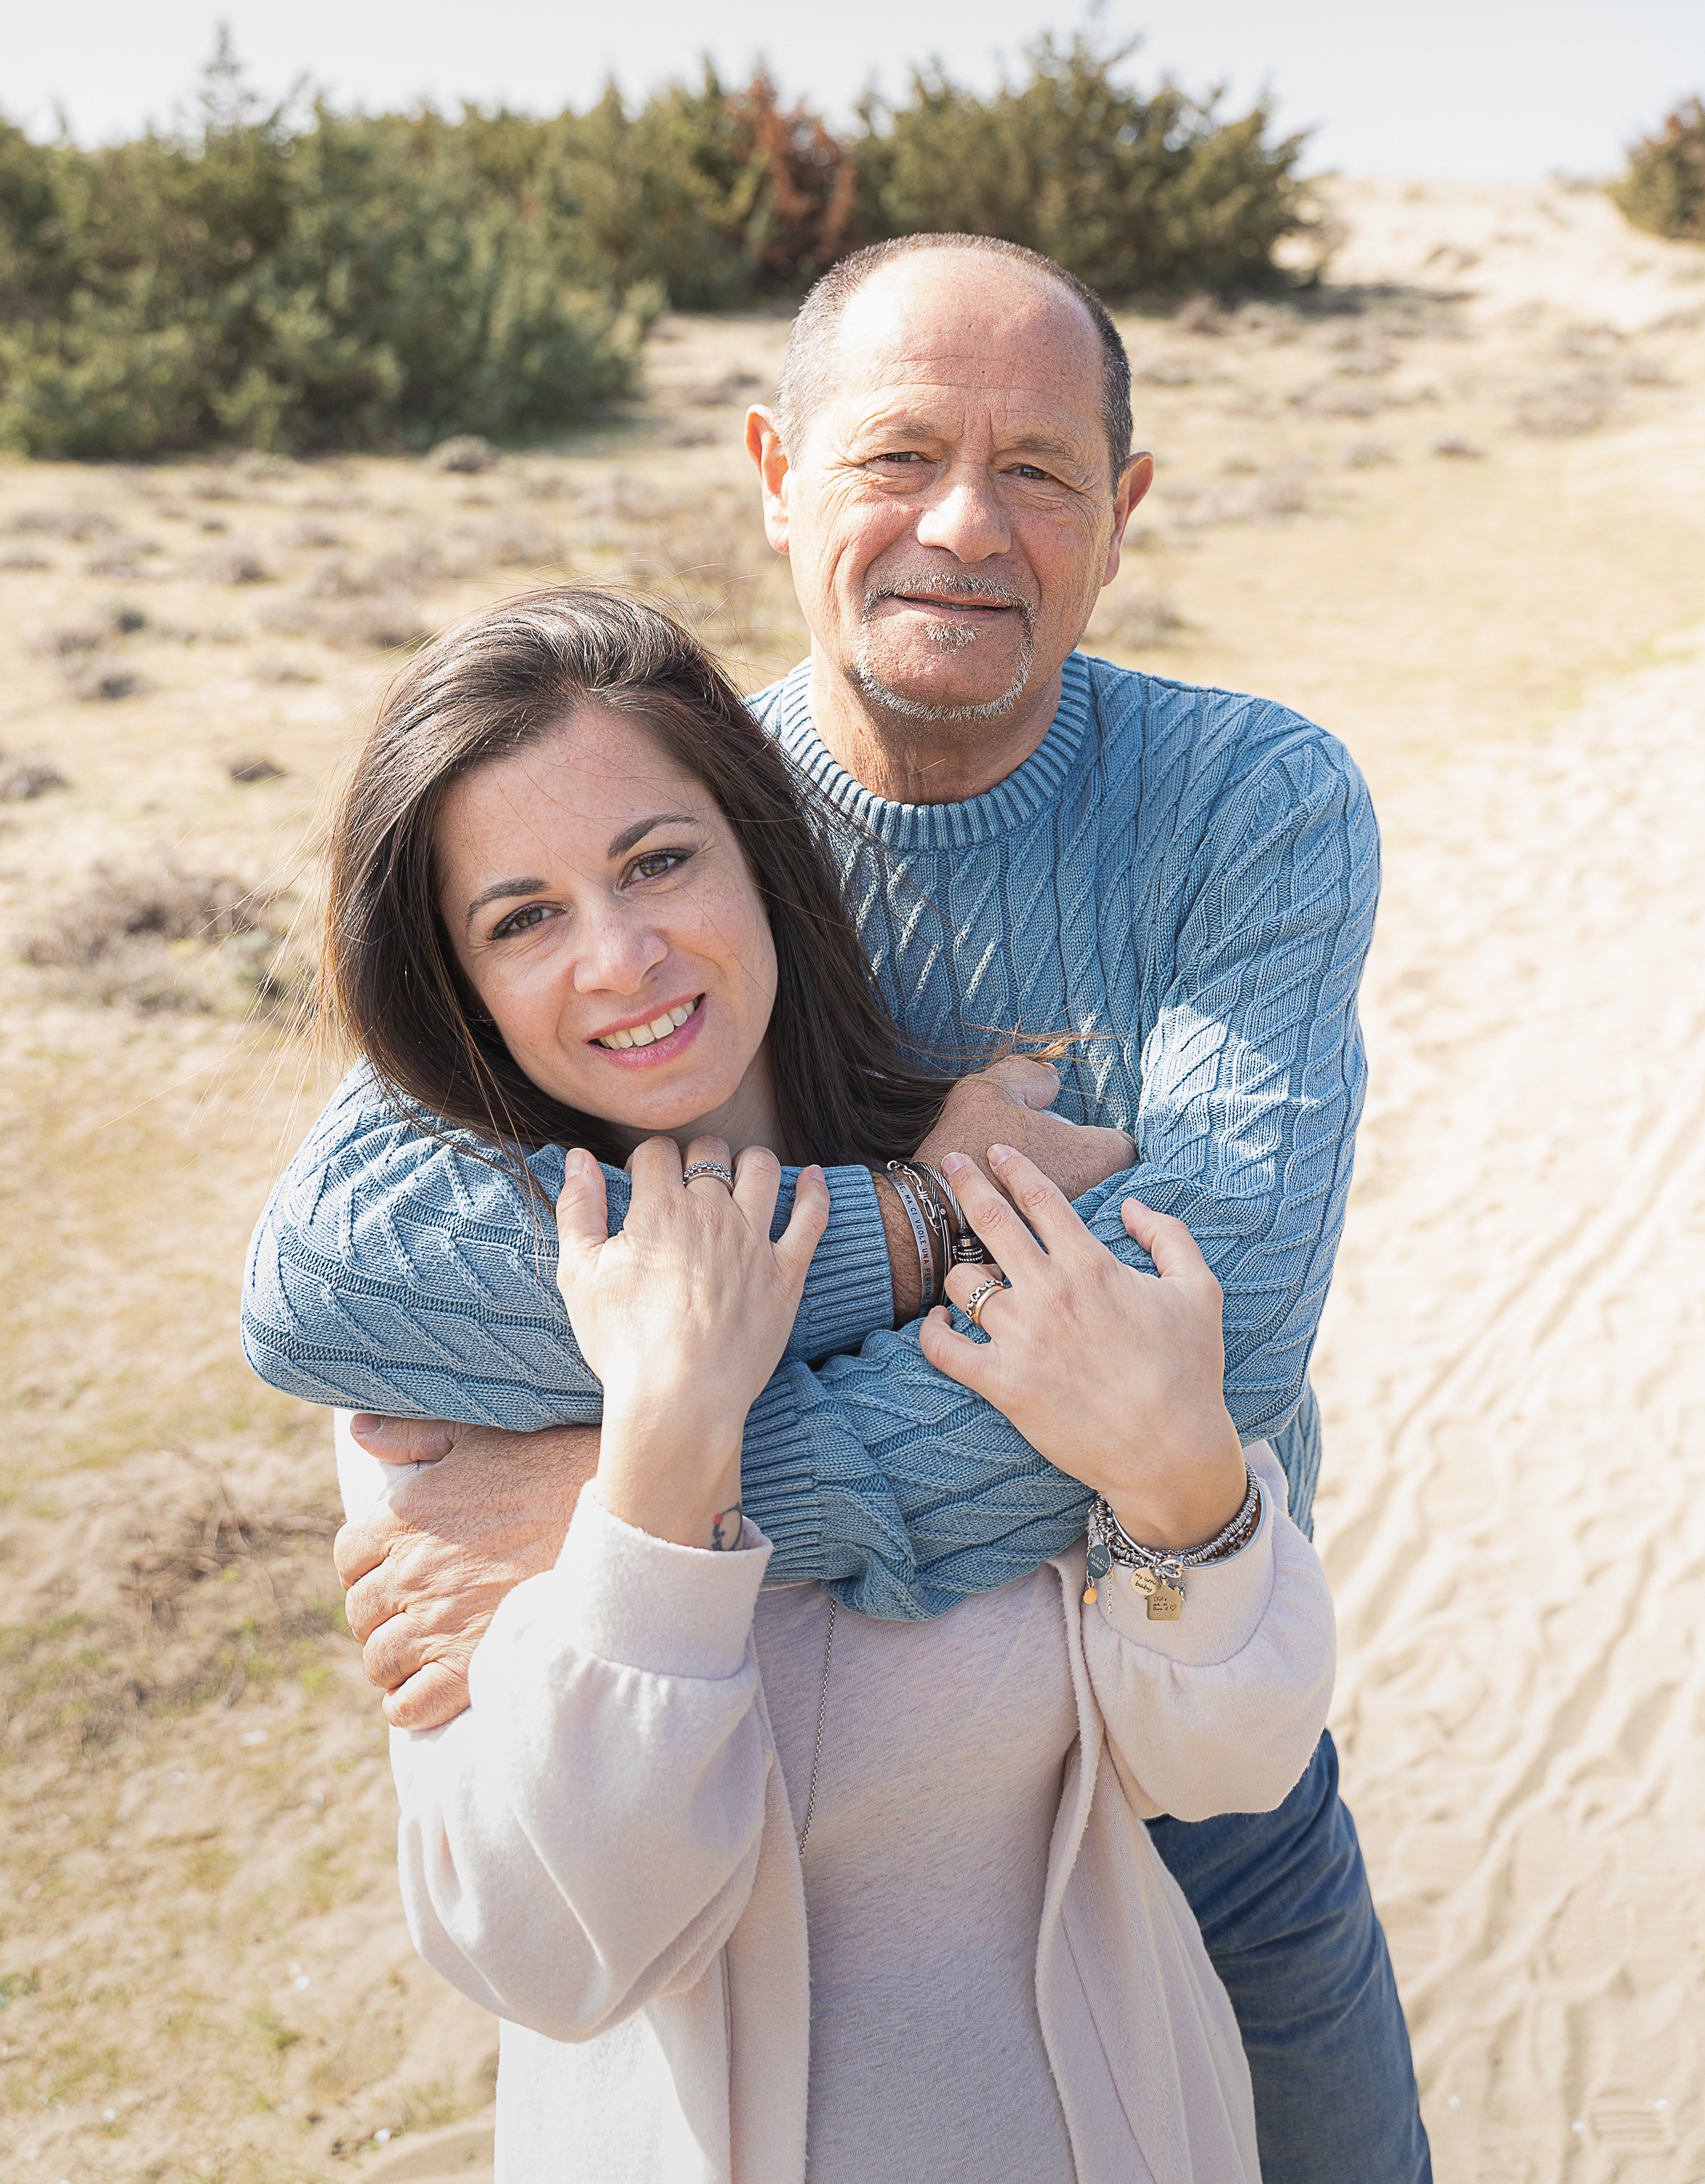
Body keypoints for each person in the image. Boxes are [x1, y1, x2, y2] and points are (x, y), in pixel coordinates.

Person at [244, 231, 1432, 2181]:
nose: (962, 524)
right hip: (766, 1852)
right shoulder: (673, 806)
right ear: (775, 473)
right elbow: (324, 1279)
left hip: (1185, 1725)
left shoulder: (1249, 806)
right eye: (895, 456)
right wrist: (906, 1232)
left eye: (1037, 468)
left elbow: (1227, 1323)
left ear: (1120, 515)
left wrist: (634, 1500)